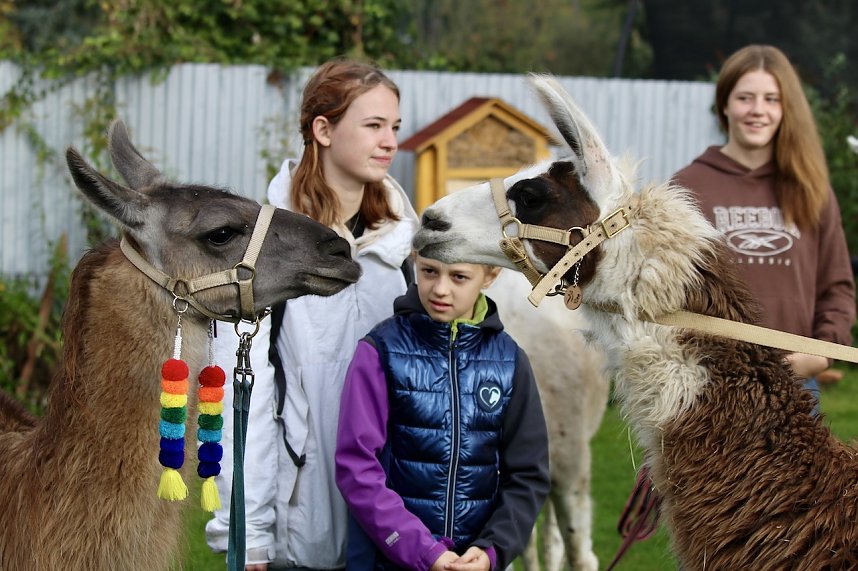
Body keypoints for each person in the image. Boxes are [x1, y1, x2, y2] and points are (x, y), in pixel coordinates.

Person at [206, 58, 419, 570]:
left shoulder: (410, 251)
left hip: (398, 525)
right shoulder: (258, 255)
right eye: (373, 125)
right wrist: (248, 532)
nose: (390, 142)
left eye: (394, 127)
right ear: (323, 130)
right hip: (301, 525)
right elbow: (243, 401)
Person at [334, 253, 550, 571]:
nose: (440, 289)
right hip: (387, 563)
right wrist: (423, 551)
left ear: (490, 275)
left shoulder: (510, 361)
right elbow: (356, 466)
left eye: (459, 276)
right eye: (430, 271)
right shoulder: (379, 350)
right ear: (415, 262)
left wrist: (492, 550)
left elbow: (528, 473)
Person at [672, 44, 856, 409]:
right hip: (711, 390)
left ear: (786, 108)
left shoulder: (811, 189)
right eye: (745, 98)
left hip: (795, 386)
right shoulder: (688, 187)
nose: (758, 110)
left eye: (771, 99)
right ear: (725, 105)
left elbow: (837, 287)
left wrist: (819, 355)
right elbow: (667, 293)